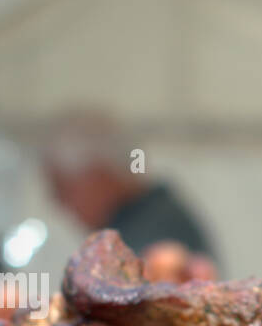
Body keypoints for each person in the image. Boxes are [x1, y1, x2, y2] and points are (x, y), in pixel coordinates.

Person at [41, 111, 219, 273]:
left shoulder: (152, 233)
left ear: (99, 176)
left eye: (63, 188)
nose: (59, 202)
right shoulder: (153, 217)